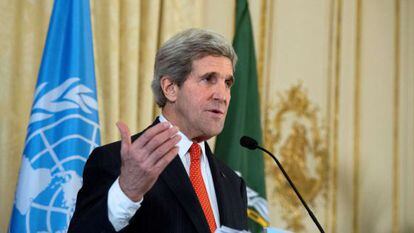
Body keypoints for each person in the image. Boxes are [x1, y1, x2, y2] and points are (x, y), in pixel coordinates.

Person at [68, 28, 248, 233]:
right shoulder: (116, 162)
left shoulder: (234, 184)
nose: (222, 95)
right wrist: (127, 192)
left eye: (227, 83)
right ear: (170, 88)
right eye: (208, 79)